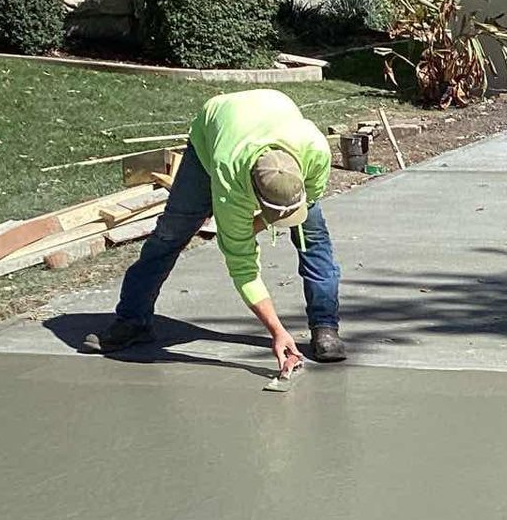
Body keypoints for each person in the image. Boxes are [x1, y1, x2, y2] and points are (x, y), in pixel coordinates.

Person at [85, 88, 345, 370]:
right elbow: (242, 265)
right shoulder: (228, 180)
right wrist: (277, 332)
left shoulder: (317, 152)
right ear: (253, 194)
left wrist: (269, 218)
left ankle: (325, 326)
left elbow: (308, 200)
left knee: (313, 239)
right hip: (214, 133)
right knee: (170, 234)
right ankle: (132, 320)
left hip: (274, 109)